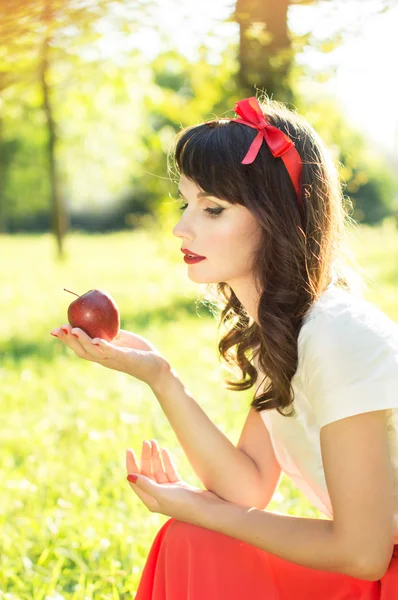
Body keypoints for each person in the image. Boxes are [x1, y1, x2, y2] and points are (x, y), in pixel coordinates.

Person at [51, 94, 398, 599]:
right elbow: (249, 485)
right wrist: (160, 376)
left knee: (199, 528)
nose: (181, 227)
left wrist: (203, 507)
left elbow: (362, 553)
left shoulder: (336, 334)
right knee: (192, 539)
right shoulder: (287, 330)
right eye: (186, 202)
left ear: (277, 217)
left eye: (212, 208)